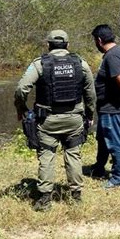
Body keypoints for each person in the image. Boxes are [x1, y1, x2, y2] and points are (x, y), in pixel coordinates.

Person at [14, 30, 96, 211]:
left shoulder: (40, 64)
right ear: (67, 45)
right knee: (73, 154)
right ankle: (75, 196)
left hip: (47, 121)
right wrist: (90, 115)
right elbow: (90, 93)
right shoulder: (80, 63)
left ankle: (44, 199)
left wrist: (21, 108)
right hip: (74, 119)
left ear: (48, 45)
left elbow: (21, 89)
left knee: (47, 155)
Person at [89, 24, 120, 189]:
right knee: (103, 139)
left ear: (99, 40)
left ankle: (119, 178)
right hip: (108, 107)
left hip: (113, 108)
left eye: (95, 41)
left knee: (114, 141)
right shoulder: (115, 53)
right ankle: (98, 168)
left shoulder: (112, 56)